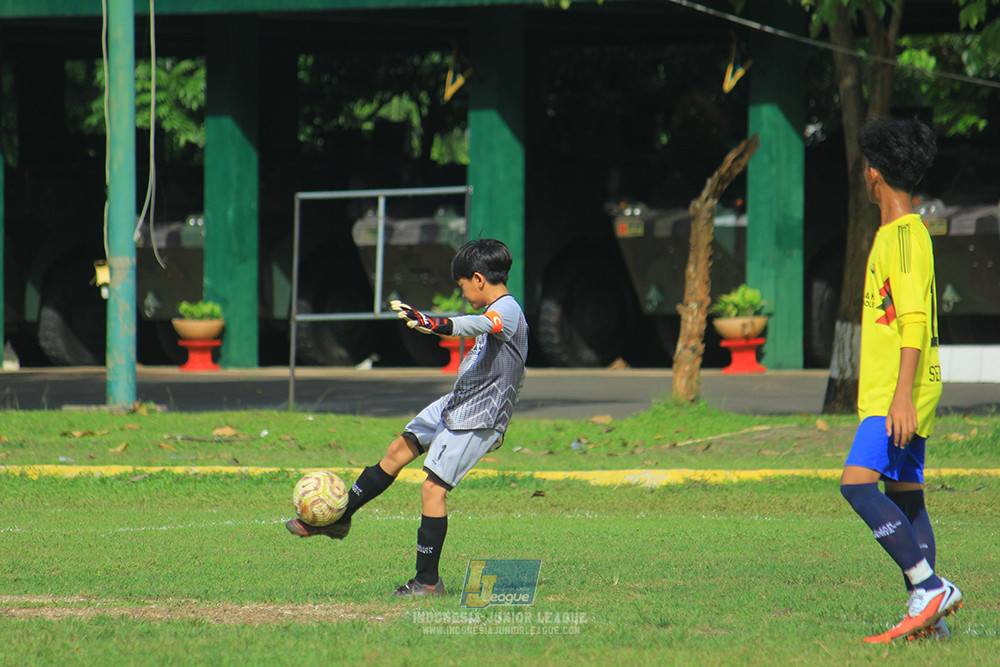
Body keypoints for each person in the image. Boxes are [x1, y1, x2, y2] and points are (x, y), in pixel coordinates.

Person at [285, 238, 528, 597]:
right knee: (397, 450)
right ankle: (340, 517)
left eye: (462, 286)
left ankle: (427, 581)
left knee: (432, 488)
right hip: (458, 403)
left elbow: (477, 325)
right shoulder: (496, 308)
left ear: (478, 279)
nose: (463, 294)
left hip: (479, 416)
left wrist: (433, 322)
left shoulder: (506, 310)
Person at [839, 117, 961, 643]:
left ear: (873, 175)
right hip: (907, 389)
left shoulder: (903, 236)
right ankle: (928, 621)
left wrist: (900, 396)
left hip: (899, 391)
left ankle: (928, 586)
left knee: (858, 487)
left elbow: (912, 320)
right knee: (907, 496)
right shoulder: (901, 234)